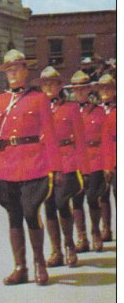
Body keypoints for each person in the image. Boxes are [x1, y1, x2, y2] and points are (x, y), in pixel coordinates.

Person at [0, 49, 60, 286]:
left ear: (25, 71)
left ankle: (39, 263)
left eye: (16, 69)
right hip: (6, 166)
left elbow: (50, 136)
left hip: (34, 165)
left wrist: (57, 168)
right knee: (13, 215)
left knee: (31, 212)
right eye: (8, 70)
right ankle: (20, 267)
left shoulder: (39, 99)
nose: (12, 74)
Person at [32, 67, 85, 268]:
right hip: (44, 162)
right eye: (44, 84)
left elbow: (79, 139)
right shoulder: (37, 108)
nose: (48, 87)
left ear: (59, 86)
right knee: (48, 205)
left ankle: (69, 245)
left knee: (62, 203)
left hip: (66, 161)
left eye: (52, 84)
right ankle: (56, 251)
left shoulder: (71, 108)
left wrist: (84, 168)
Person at [67, 70, 109, 253]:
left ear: (89, 90)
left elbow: (106, 138)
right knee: (76, 200)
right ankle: (82, 237)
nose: (80, 93)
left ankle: (96, 233)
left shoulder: (98, 111)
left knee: (93, 199)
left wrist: (107, 164)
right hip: (76, 161)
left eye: (83, 89)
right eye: (77, 90)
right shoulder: (68, 110)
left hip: (94, 159)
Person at [97, 74, 116, 241]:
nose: (104, 91)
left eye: (108, 88)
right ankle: (106, 229)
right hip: (101, 157)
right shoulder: (95, 110)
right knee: (102, 195)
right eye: (102, 88)